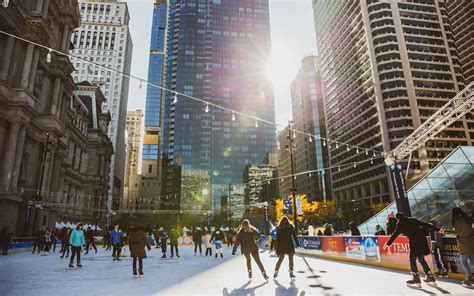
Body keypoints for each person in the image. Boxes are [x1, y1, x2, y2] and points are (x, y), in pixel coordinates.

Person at [385, 213, 443, 287]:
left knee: (412, 258)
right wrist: (438, 229)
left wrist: (388, 244)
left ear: (398, 219)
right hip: (422, 240)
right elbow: (426, 224)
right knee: (421, 258)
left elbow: (395, 234)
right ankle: (429, 276)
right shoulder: (412, 219)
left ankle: (416, 278)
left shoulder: (400, 224)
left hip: (414, 242)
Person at [452, 207, 474, 288]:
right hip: (472, 242)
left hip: (464, 243)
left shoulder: (458, 221)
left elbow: (456, 232)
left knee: (463, 261)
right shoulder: (470, 219)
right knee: (472, 260)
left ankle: (469, 276)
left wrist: (453, 229)